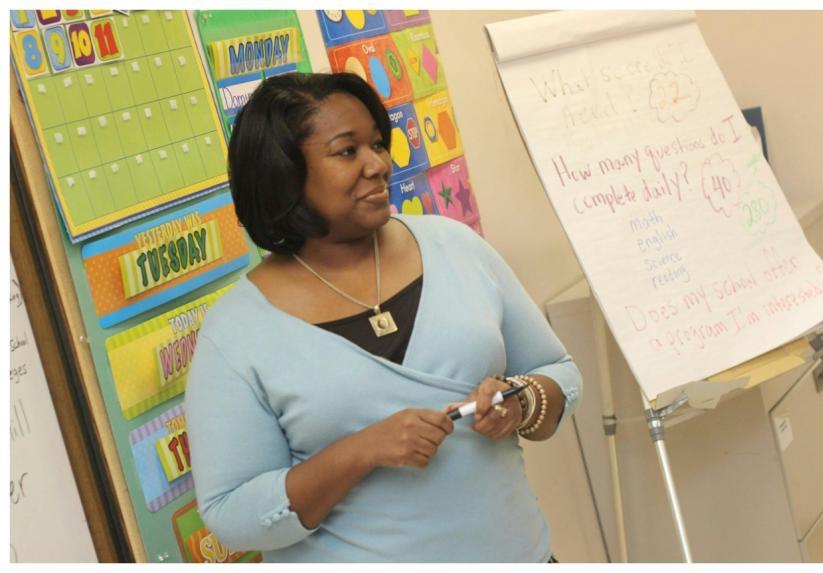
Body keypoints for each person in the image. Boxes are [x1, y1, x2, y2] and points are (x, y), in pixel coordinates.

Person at [185, 72, 582, 563]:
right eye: (347, 151)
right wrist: (362, 451)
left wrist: (521, 401)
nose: (379, 165)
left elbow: (558, 372)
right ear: (283, 173)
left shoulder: (455, 247)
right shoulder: (238, 332)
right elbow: (233, 515)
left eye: (378, 143)